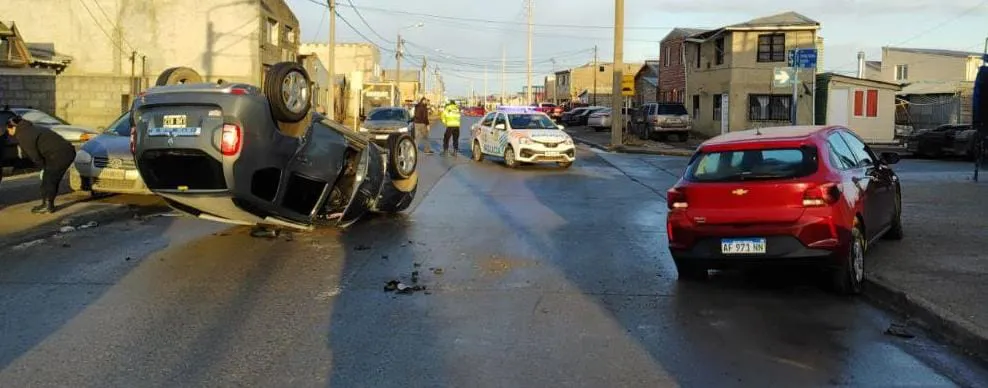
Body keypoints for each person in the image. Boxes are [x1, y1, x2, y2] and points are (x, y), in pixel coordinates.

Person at [4, 114, 76, 214]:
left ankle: (48, 206)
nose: (8, 132)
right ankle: (46, 204)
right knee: (49, 178)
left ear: (13, 127)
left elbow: (34, 156)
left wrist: (43, 168)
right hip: (60, 152)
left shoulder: (23, 135)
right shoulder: (29, 128)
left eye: (8, 130)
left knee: (49, 179)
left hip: (61, 154)